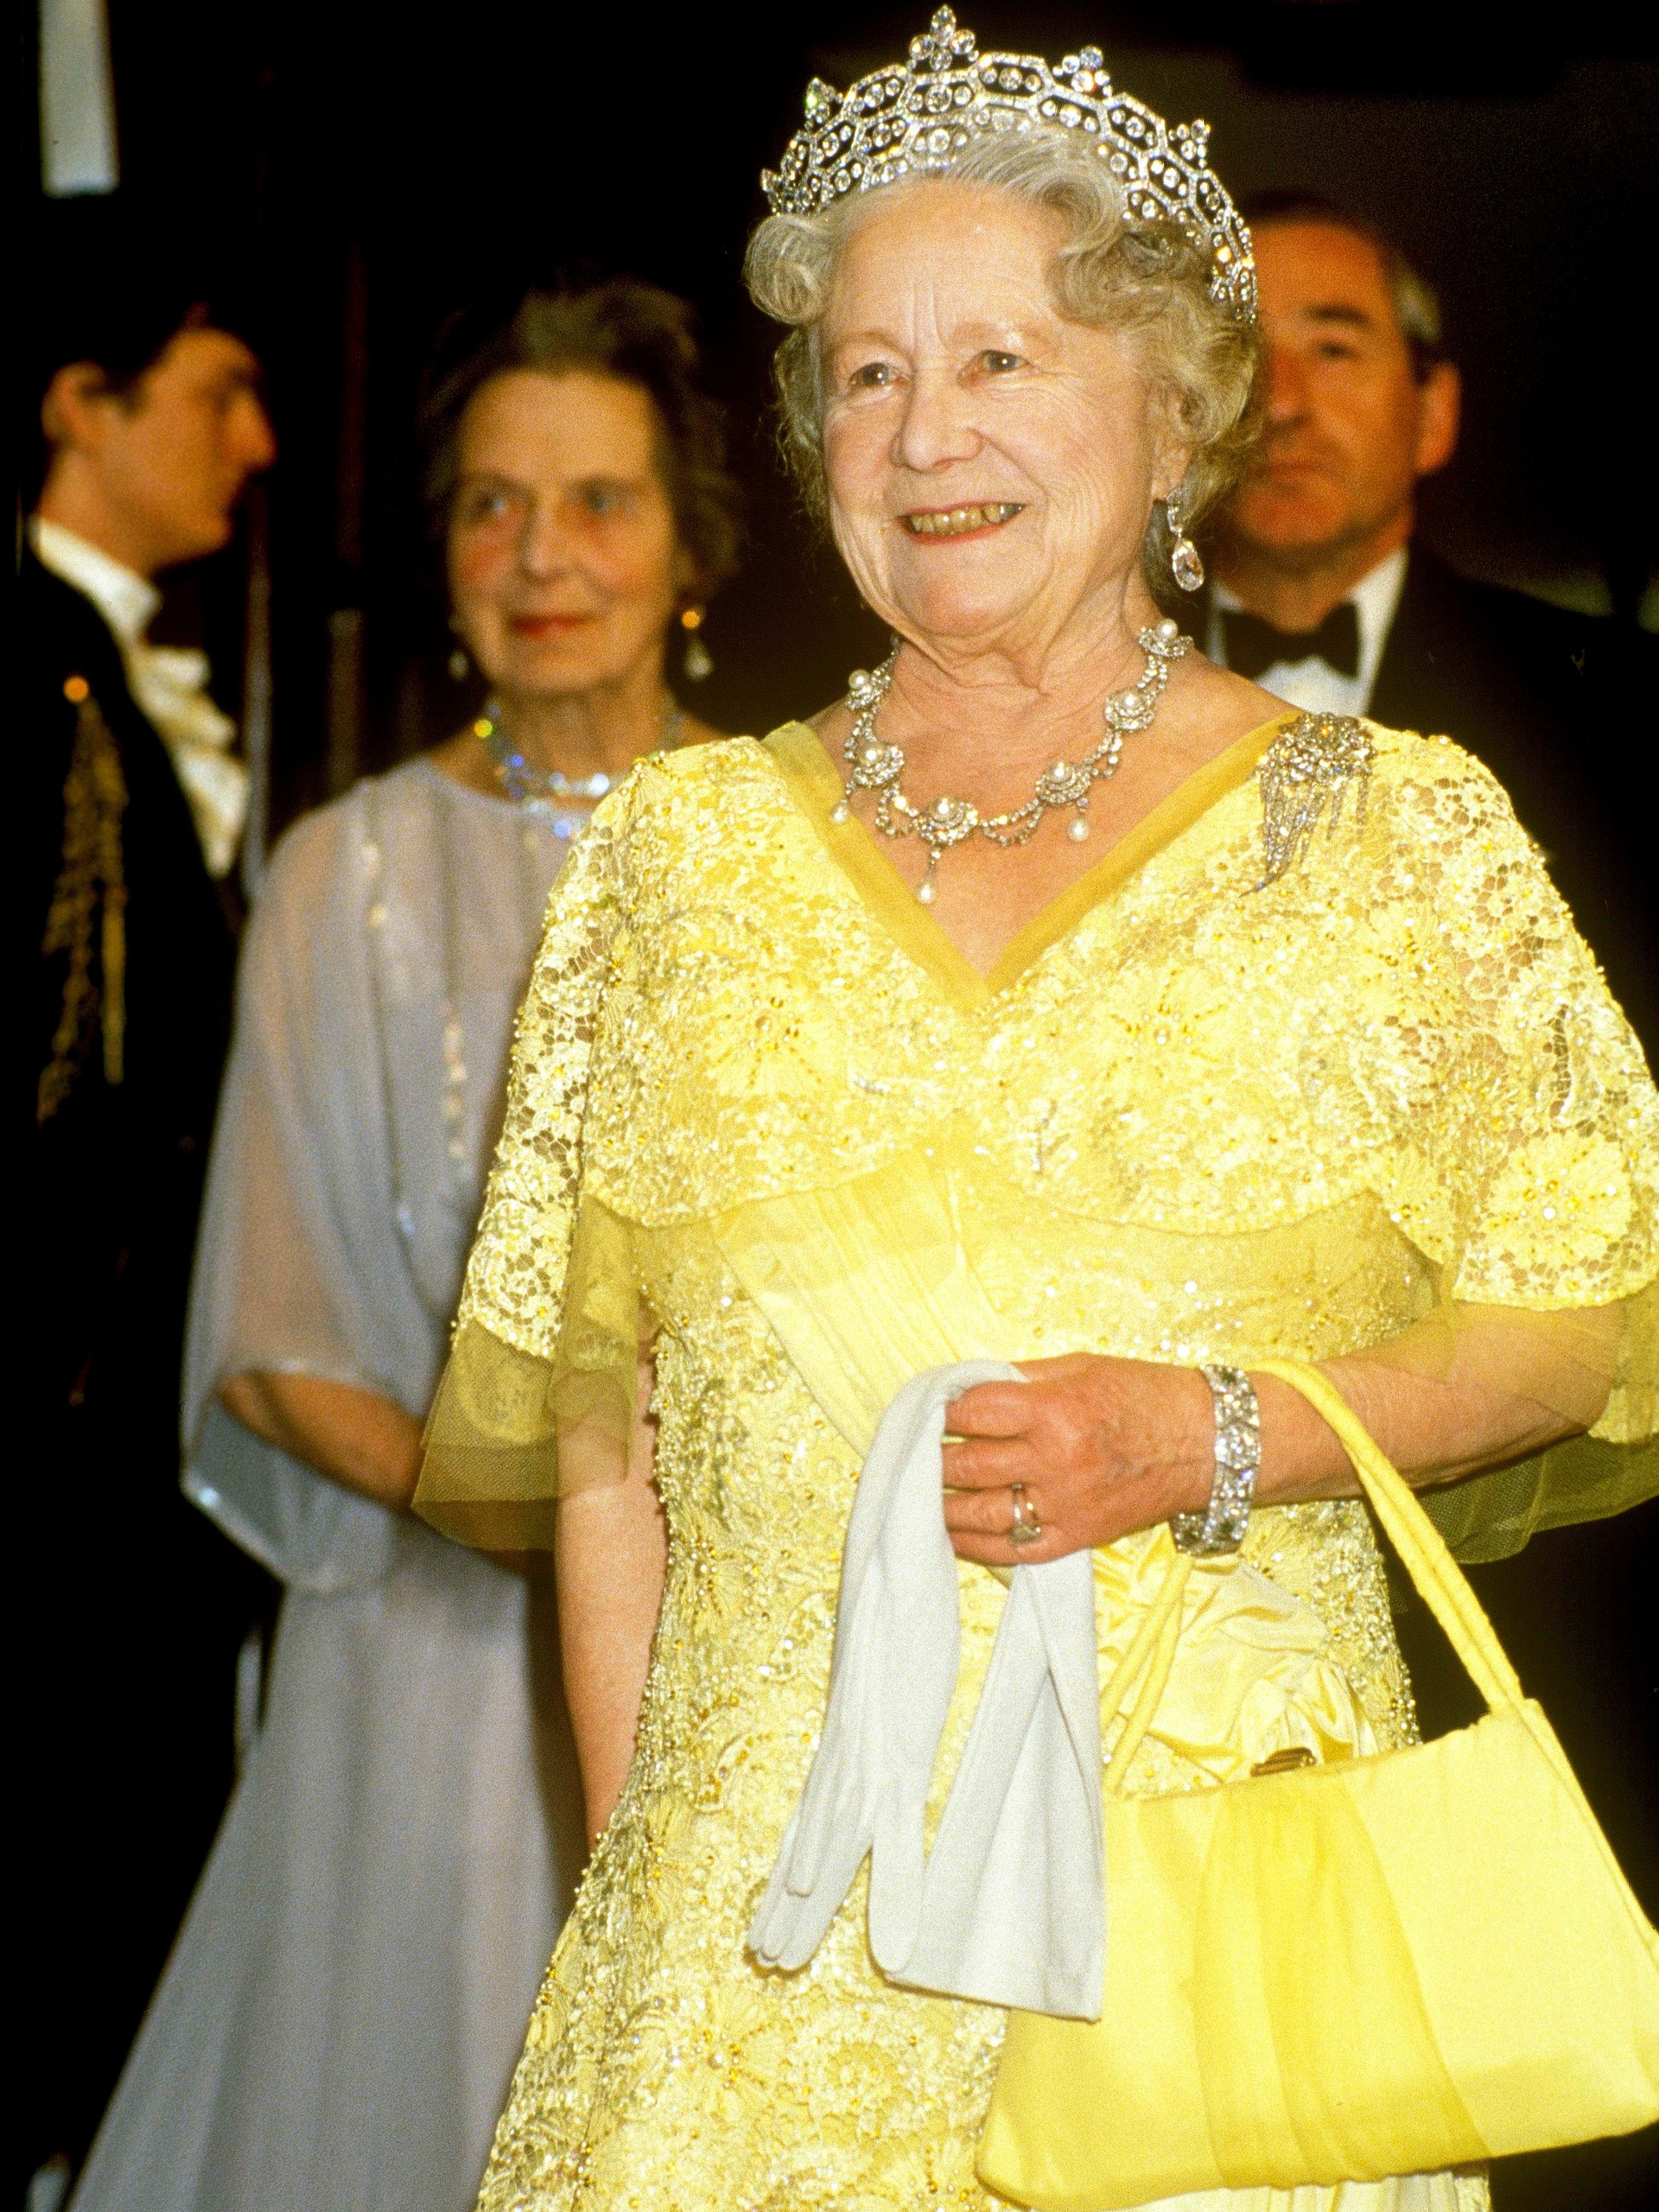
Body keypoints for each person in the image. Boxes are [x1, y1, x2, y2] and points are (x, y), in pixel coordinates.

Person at [412, 16, 1657, 2210]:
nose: (926, 435)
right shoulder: (674, 862)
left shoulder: (1397, 835)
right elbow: (608, 1442)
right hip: (756, 1967)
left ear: (1172, 413)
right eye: (868, 375)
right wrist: (650, 1924)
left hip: (1213, 1966)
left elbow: (1593, 1309)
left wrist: (1214, 1433)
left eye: (1000, 359)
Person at [67, 282, 742, 2212]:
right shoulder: (337, 873)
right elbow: (272, 1341)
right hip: (431, 1673)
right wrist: (543, 1527)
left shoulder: (799, 853)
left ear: (693, 546)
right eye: (491, 506)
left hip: (740, 1668)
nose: (542, 556)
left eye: (600, 502)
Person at [19, 230, 278, 2202]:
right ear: (79, 405)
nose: (254, 442)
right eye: (215, 393)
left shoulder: (99, 664)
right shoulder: (30, 676)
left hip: (125, 1440)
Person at [1206, 190, 1652, 1050]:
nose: (1281, 403)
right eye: (1236, 354)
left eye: (1333, 349)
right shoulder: (1068, 711)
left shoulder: (1622, 709)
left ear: (1433, 413)